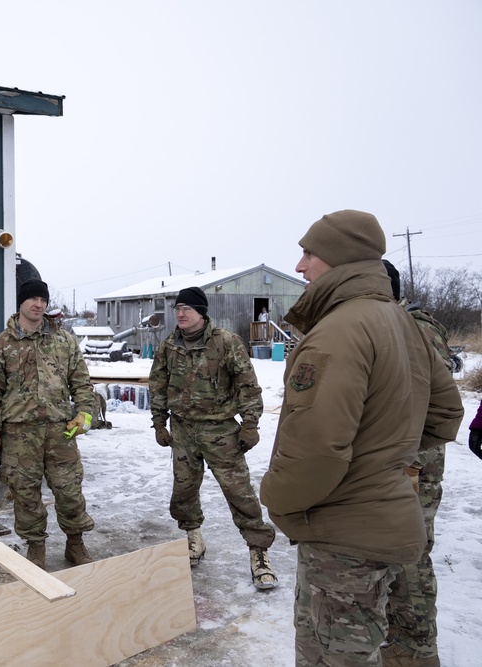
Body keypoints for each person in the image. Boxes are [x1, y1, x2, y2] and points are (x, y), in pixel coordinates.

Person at [260, 210, 463, 666]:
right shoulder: (400, 321)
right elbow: (447, 414)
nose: (300, 266)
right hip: (388, 520)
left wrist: (276, 498)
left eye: (308, 253)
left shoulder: (337, 331)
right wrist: (385, 457)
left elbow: (317, 450)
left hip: (342, 537)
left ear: (339, 257)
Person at [148, 286, 277, 590]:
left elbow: (248, 386)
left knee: (239, 493)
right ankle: (193, 538)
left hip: (220, 431)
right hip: (183, 431)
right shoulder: (169, 345)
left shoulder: (226, 343)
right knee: (184, 490)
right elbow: (158, 385)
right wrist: (159, 423)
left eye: (187, 308)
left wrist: (250, 425)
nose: (180, 313)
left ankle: (259, 553)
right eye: (177, 308)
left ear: (201, 313)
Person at [381, 259, 475, 666]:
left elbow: (425, 402)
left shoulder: (415, 329)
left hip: (411, 463)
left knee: (409, 555)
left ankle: (415, 650)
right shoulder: (390, 323)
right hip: (396, 460)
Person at [0, 279, 96, 570]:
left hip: (60, 430)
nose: (38, 304)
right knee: (25, 493)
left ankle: (75, 543)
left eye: (42, 299)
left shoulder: (63, 340)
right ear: (20, 303)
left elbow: (81, 382)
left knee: (69, 490)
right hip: (19, 433)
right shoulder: (2, 344)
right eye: (32, 299)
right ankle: (36, 548)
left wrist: (84, 414)